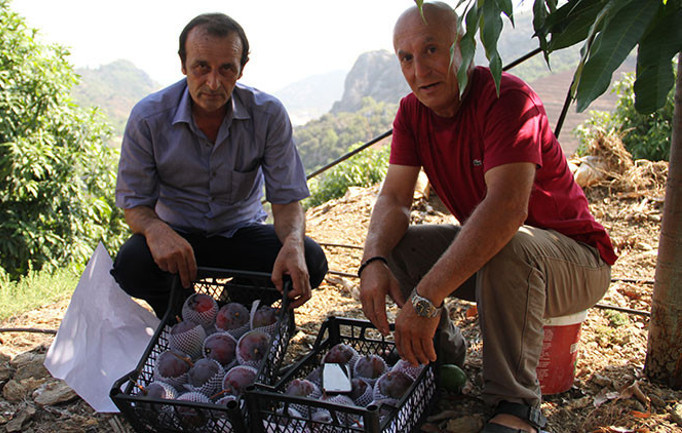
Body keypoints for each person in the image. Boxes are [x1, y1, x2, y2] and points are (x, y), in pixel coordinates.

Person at [358, 3, 617, 433]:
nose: (420, 70)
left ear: (464, 49)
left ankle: (516, 406)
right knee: (397, 248)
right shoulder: (411, 113)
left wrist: (425, 298)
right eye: (406, 57)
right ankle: (435, 357)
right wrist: (372, 260)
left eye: (432, 49)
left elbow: (506, 210)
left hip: (577, 262)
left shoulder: (506, 98)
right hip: (504, 262)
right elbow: (394, 199)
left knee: (508, 244)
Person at [111, 12, 328, 320]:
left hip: (241, 231)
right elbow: (134, 204)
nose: (213, 83)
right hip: (179, 236)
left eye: (226, 68)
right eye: (201, 67)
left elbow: (286, 201)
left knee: (311, 260)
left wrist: (292, 244)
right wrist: (155, 229)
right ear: (183, 64)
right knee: (132, 264)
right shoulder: (148, 118)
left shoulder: (268, 115)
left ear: (241, 69)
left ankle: (233, 307)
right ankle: (179, 315)